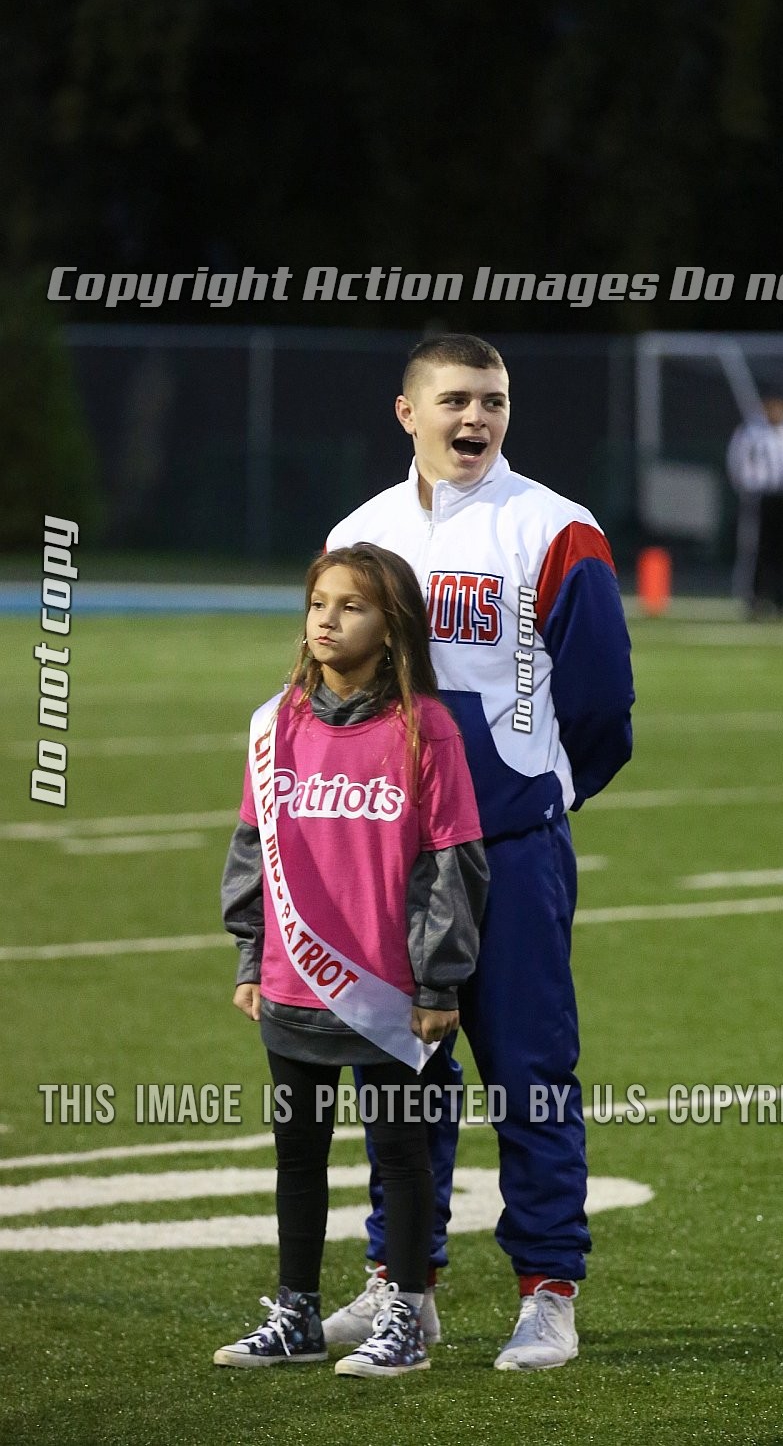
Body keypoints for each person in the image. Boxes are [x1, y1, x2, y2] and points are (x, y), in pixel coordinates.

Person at [319, 334, 634, 1371]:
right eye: (454, 400)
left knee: (531, 1073)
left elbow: (600, 707)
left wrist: (530, 796)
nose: (476, 420)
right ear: (406, 411)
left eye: (492, 402)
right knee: (400, 1074)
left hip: (511, 851)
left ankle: (548, 1292)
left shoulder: (554, 528)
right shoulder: (357, 533)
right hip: (391, 863)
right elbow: (331, 697)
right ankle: (400, 1283)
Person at [214, 543, 487, 1378]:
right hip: (293, 983)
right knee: (296, 1152)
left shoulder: (425, 729)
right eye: (318, 603)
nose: (328, 620)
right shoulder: (277, 725)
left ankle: (404, 1315)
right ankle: (296, 1312)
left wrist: (440, 977)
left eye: (352, 607)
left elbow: (454, 862)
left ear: (392, 625)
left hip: (387, 995)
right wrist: (251, 958)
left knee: (399, 1155)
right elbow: (252, 850)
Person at [727, 389, 783, 617]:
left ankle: (782, 599)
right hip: (760, 495)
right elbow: (737, 461)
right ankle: (755, 598)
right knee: (757, 548)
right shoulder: (751, 431)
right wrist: (747, 486)